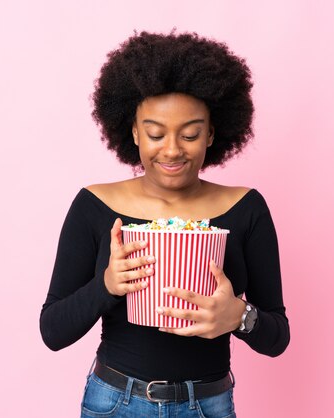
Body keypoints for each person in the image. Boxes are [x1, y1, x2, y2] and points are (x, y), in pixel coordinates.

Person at [40, 30, 290, 417]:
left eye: (189, 133)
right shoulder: (95, 205)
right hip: (115, 403)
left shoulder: (246, 208)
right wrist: (106, 285)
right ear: (134, 130)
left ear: (211, 132)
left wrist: (239, 317)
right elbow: (52, 331)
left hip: (208, 406)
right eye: (156, 133)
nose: (172, 150)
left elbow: (277, 337)